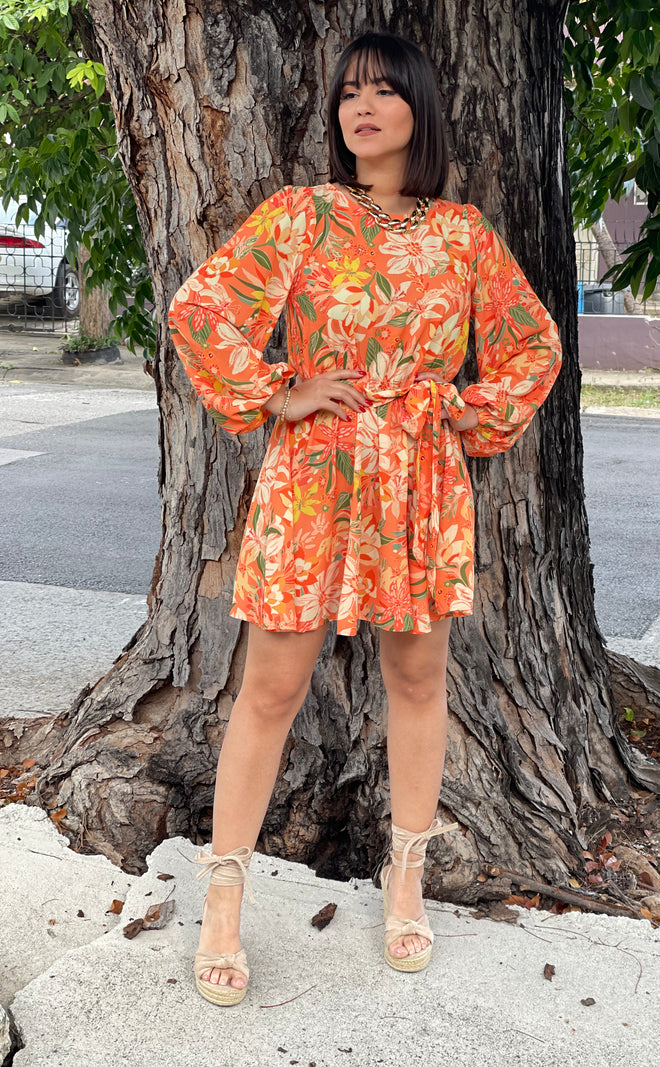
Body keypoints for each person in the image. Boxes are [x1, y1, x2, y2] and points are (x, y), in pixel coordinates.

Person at [167, 29, 562, 1006]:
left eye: (385, 89)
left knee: (418, 678)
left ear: (419, 109)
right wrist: (272, 392)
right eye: (349, 92)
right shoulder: (300, 217)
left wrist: (467, 412)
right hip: (312, 482)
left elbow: (533, 344)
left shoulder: (462, 233)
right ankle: (222, 899)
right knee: (269, 689)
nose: (362, 105)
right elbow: (199, 309)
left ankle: (406, 878)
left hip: (419, 486)